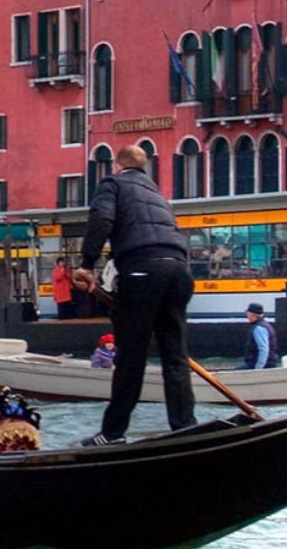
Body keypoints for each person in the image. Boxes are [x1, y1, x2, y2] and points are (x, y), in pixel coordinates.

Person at [72, 143, 195, 445]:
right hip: (179, 271)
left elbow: (101, 220)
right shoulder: (157, 193)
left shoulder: (113, 183)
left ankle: (112, 433)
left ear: (117, 164)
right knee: (175, 356)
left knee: (131, 357)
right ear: (145, 167)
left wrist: (87, 264)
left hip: (142, 270)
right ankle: (185, 426)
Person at [237, 303, 279, 370]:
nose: (247, 316)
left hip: (260, 364)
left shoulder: (259, 328)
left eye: (247, 314)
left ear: (251, 314)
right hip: (269, 363)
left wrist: (258, 368)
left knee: (235, 374)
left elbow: (263, 349)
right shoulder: (266, 325)